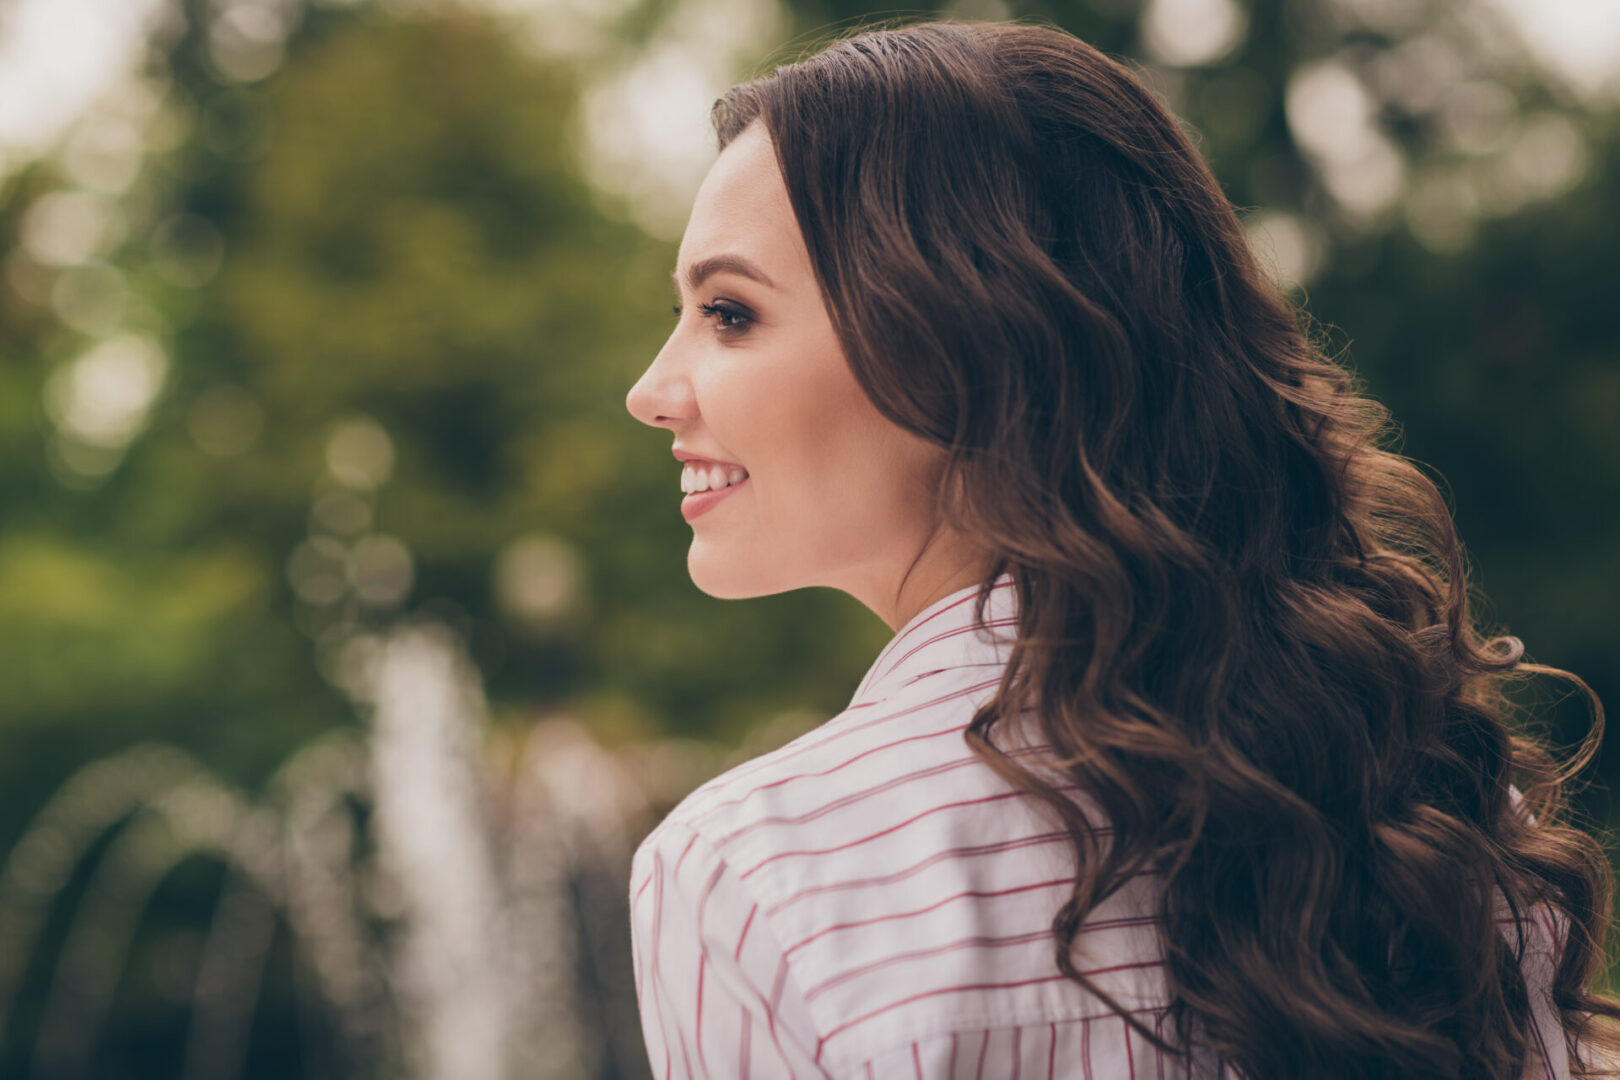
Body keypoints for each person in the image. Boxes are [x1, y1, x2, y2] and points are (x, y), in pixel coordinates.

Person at [622, 16, 1620, 1080]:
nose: (650, 391)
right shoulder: (1418, 796)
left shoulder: (758, 876)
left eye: (729, 313)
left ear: (966, 343)